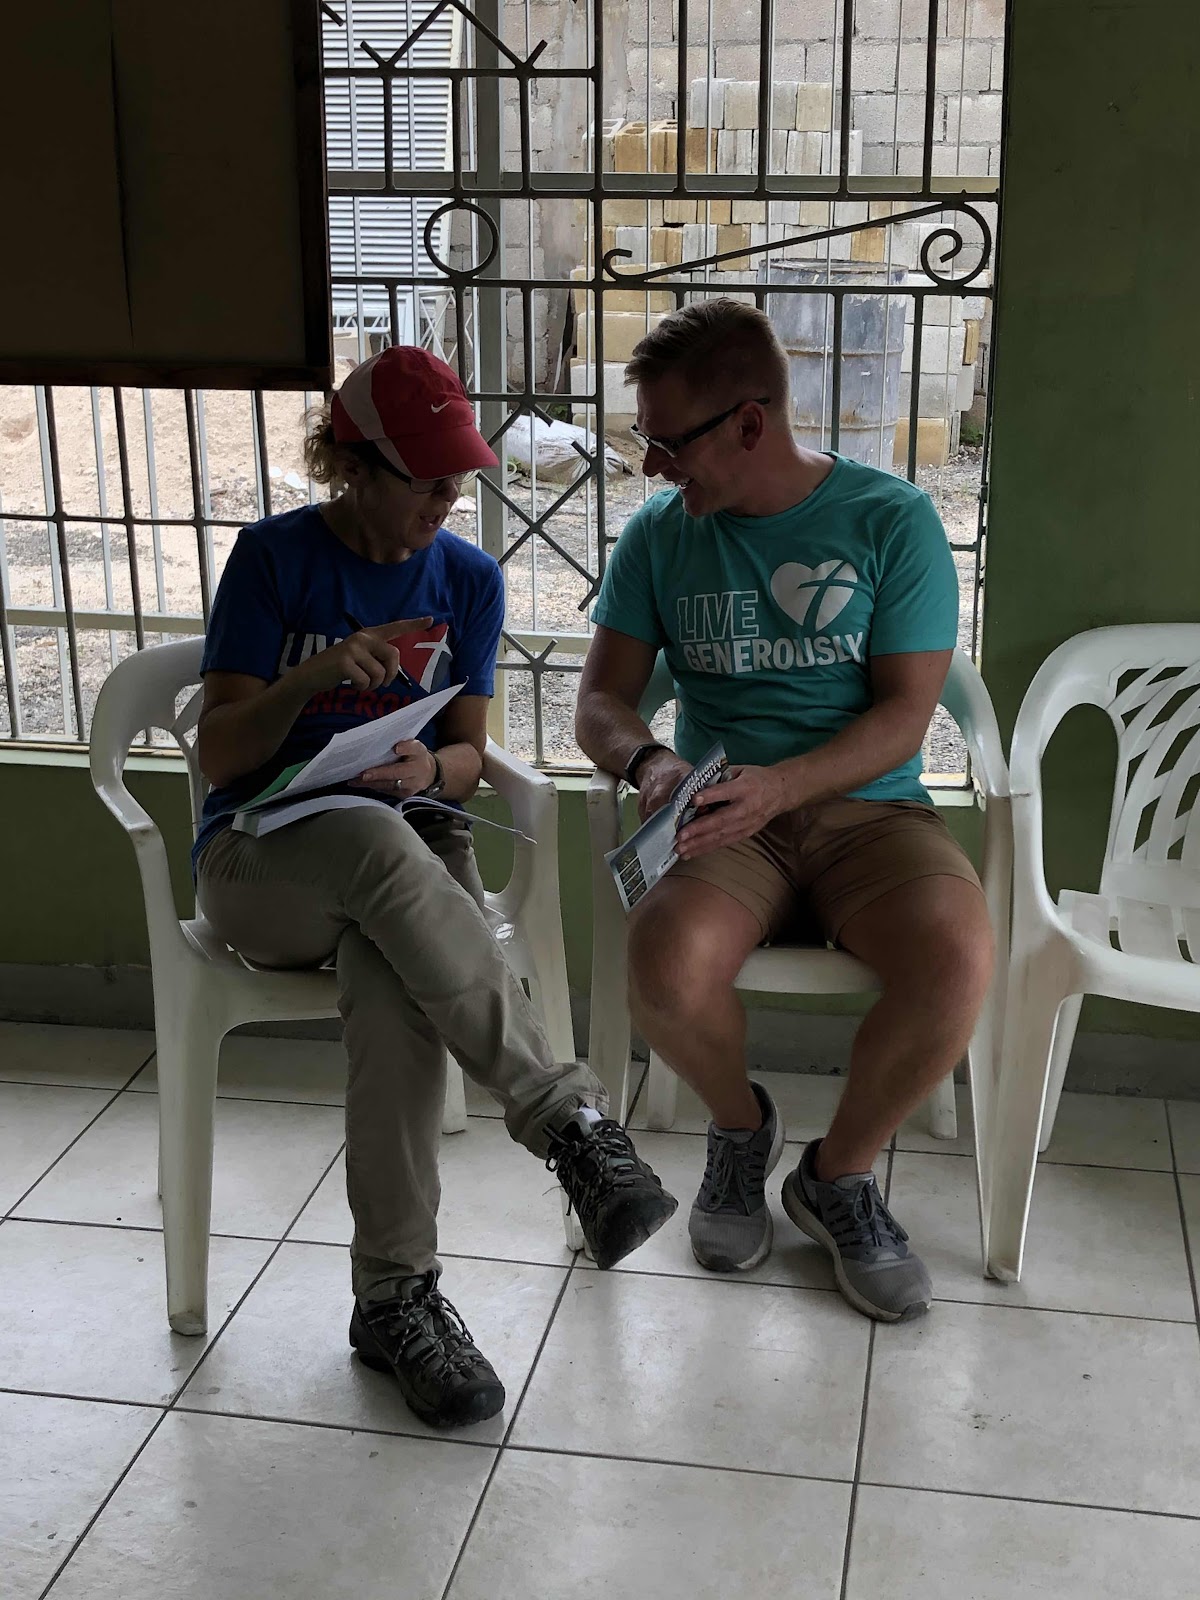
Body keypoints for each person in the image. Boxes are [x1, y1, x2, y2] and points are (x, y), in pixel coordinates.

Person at [193, 346, 676, 1427]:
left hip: (406, 857)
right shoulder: (273, 560)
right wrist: (315, 677)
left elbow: (466, 755)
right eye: (423, 478)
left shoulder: (467, 581)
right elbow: (220, 757)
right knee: (372, 844)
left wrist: (430, 769)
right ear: (350, 463)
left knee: (394, 979)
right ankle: (569, 1124)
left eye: (456, 478)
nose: (445, 499)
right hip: (263, 861)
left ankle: (393, 1301)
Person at [575, 300, 993, 1323]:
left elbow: (904, 718)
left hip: (870, 814)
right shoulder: (660, 537)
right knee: (663, 962)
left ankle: (836, 1177)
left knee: (957, 958)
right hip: (725, 821)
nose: (651, 466)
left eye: (668, 443)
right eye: (645, 441)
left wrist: (784, 784)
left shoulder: (890, 520)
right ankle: (739, 1131)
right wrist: (650, 762)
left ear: (750, 424)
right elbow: (599, 701)